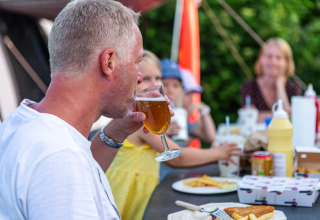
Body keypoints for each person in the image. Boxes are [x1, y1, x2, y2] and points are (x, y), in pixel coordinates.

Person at [0, 0, 152, 219]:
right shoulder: (60, 158)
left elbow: (78, 173)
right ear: (108, 62)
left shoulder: (23, 123)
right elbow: (64, 170)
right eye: (137, 61)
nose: (140, 76)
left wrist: (116, 131)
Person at [105, 50, 241, 220]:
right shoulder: (137, 116)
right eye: (145, 78)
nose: (153, 83)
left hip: (142, 192)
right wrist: (219, 153)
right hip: (124, 195)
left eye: (158, 78)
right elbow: (176, 157)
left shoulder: (147, 117)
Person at [241, 37, 302, 122]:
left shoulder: (293, 89)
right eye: (269, 56)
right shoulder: (249, 87)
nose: (273, 61)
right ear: (261, 59)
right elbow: (249, 118)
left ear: (287, 63)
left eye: (279, 57)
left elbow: (292, 119)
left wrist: (279, 86)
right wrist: (281, 115)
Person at [161, 59, 216, 146]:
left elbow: (210, 137)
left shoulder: (179, 114)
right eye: (165, 84)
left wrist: (204, 110)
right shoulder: (154, 114)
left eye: (176, 86)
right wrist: (162, 134)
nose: (170, 90)